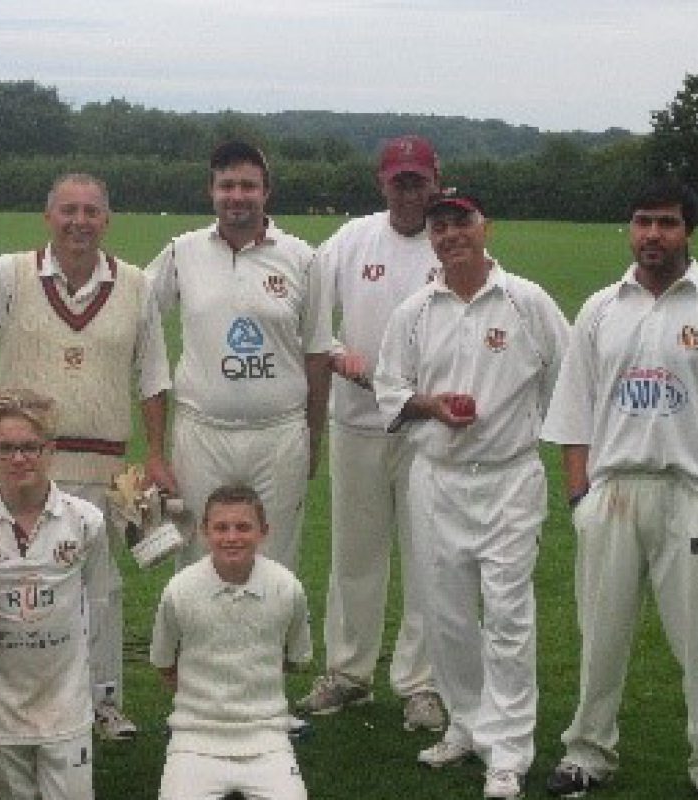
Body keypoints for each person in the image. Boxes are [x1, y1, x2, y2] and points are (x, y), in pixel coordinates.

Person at [542, 180, 698, 800]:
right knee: (601, 635)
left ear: (688, 231)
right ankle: (587, 752)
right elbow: (573, 416)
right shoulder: (600, 308)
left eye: (666, 223)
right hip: (612, 492)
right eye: (643, 221)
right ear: (629, 227)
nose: (652, 234)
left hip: (688, 495)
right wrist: (580, 501)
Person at [0, 173, 173, 741]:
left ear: (107, 219)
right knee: (3, 586)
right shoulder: (9, 275)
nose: (79, 221)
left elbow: (152, 378)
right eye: (68, 210)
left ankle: (103, 703)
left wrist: (158, 455)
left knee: (100, 590)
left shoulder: (137, 285)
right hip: (22, 464)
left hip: (104, 468)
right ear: (48, 217)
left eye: (91, 212)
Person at [375, 191, 569, 799]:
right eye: (440, 225)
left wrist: (568, 462)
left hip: (510, 476)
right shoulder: (414, 311)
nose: (451, 233)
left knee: (508, 616)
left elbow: (569, 381)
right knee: (446, 612)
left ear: (485, 226)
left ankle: (508, 751)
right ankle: (467, 722)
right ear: (430, 236)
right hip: (436, 477)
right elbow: (389, 389)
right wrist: (432, 405)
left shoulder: (526, 301)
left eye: (462, 222)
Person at [296, 135, 446, 732]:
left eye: (418, 178)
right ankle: (348, 673)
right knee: (355, 556)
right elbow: (308, 311)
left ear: (435, 180)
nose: (408, 189)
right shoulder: (354, 238)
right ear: (382, 183)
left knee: (428, 556)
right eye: (398, 179)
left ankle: (422, 683)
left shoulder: (452, 236)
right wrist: (335, 353)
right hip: (357, 420)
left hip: (428, 428)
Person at [146, 141, 332, 573]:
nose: (237, 195)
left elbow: (318, 354)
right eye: (226, 185)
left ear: (267, 192)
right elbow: (132, 308)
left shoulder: (302, 259)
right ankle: (197, 643)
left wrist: (314, 438)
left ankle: (270, 643)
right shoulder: (182, 251)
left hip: (279, 433)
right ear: (211, 191)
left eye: (248, 185)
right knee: (196, 556)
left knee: (275, 560)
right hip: (201, 433)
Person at [0, 388, 106, 799]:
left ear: (51, 450)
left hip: (66, 706)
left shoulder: (85, 521)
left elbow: (97, 604)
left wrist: (88, 687)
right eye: (6, 448)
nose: (18, 459)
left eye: (29, 447)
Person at [150, 485, 312, 800]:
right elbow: (165, 664)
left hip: (267, 739)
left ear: (264, 532)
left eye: (243, 527)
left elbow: (293, 658)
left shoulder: (287, 587)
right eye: (221, 528)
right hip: (194, 739)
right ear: (203, 532)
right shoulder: (180, 590)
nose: (232, 537)